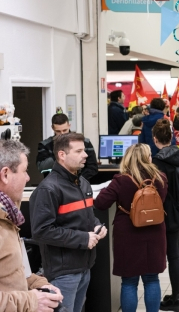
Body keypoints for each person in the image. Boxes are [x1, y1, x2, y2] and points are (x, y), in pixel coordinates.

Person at [30, 133, 108, 312]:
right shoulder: (48, 189)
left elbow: (87, 216)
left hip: (85, 267)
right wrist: (83, 238)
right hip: (63, 273)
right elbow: (41, 231)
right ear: (62, 155)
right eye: (79, 151)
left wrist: (96, 225)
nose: (85, 155)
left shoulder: (83, 183)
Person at [94, 144, 167, 312]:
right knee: (152, 279)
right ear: (148, 158)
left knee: (129, 281)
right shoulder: (160, 178)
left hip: (127, 233)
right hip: (155, 232)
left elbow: (101, 203)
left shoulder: (121, 180)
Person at [0, 140, 64, 312]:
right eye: (25, 170)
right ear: (5, 174)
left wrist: (38, 284)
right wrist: (31, 301)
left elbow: (9, 272)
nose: (28, 178)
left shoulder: (8, 214)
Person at [151, 120, 179, 311]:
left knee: (173, 255)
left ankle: (176, 299)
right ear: (171, 137)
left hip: (168, 211)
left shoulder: (157, 161)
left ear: (154, 139)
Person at [37, 113, 98, 180]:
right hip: (55, 183)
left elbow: (92, 167)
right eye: (58, 131)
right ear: (53, 128)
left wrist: (77, 180)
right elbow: (41, 167)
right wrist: (58, 150)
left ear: (69, 126)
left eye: (65, 130)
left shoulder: (85, 142)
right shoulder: (45, 145)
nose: (62, 134)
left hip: (79, 182)